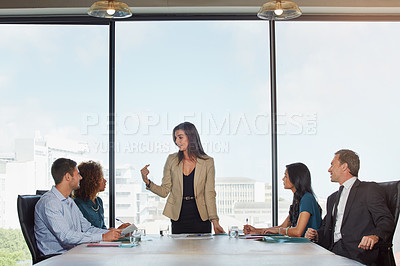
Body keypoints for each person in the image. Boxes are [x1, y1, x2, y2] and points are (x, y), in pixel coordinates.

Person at [305, 149, 394, 265]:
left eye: (332, 164)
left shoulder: (368, 190)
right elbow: (326, 228)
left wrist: (375, 236)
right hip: (332, 252)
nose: (329, 169)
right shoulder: (332, 198)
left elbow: (385, 219)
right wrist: (316, 235)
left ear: (344, 166)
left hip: (357, 254)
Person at [140, 122, 225, 234]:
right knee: (179, 251)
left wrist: (215, 221)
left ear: (191, 137)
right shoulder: (171, 160)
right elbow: (164, 191)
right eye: (175, 138)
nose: (176, 141)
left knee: (202, 250)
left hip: (201, 217)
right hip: (178, 217)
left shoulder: (207, 162)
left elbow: (209, 193)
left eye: (180, 137)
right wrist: (147, 182)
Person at [34, 158, 121, 255]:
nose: (81, 178)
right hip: (57, 258)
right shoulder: (50, 203)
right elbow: (66, 236)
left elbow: (87, 228)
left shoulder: (69, 201)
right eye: (77, 174)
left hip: (74, 253)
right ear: (68, 177)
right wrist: (103, 237)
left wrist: (113, 233)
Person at [243, 162, 322, 237]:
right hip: (302, 247)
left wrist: (279, 230)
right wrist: (256, 231)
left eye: (286, 176)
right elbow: (283, 226)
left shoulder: (307, 198)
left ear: (295, 179)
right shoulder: (298, 201)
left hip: (310, 248)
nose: (282, 179)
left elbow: (298, 232)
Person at [73, 160, 130, 230]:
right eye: (101, 178)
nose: (105, 181)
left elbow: (102, 229)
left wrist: (118, 231)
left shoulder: (98, 201)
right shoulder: (77, 204)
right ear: (91, 181)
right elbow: (84, 232)